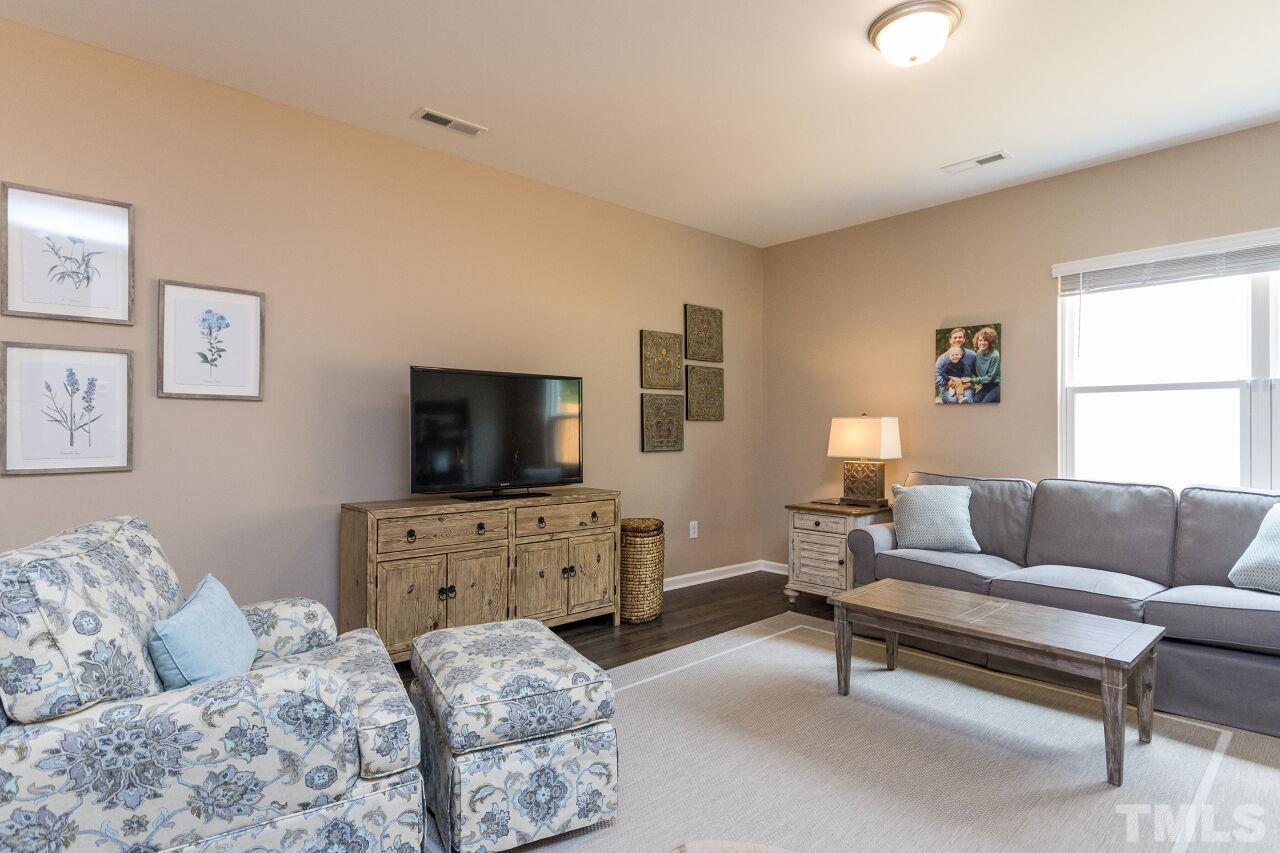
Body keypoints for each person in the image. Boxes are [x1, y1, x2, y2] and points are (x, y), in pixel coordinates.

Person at [935, 327, 975, 403]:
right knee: (953, 400)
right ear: (950, 340)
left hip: (966, 385)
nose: (957, 339)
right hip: (948, 387)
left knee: (968, 397)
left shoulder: (972, 355)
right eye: (955, 337)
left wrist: (971, 381)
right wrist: (949, 383)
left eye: (960, 337)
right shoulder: (942, 358)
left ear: (964, 339)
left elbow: (978, 372)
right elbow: (937, 376)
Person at [971, 326, 1001, 403]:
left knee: (984, 403)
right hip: (985, 386)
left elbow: (990, 377)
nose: (982, 343)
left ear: (990, 342)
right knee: (974, 401)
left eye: (985, 340)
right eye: (980, 340)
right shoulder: (978, 353)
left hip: (996, 386)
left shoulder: (995, 355)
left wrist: (972, 380)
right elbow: (977, 370)